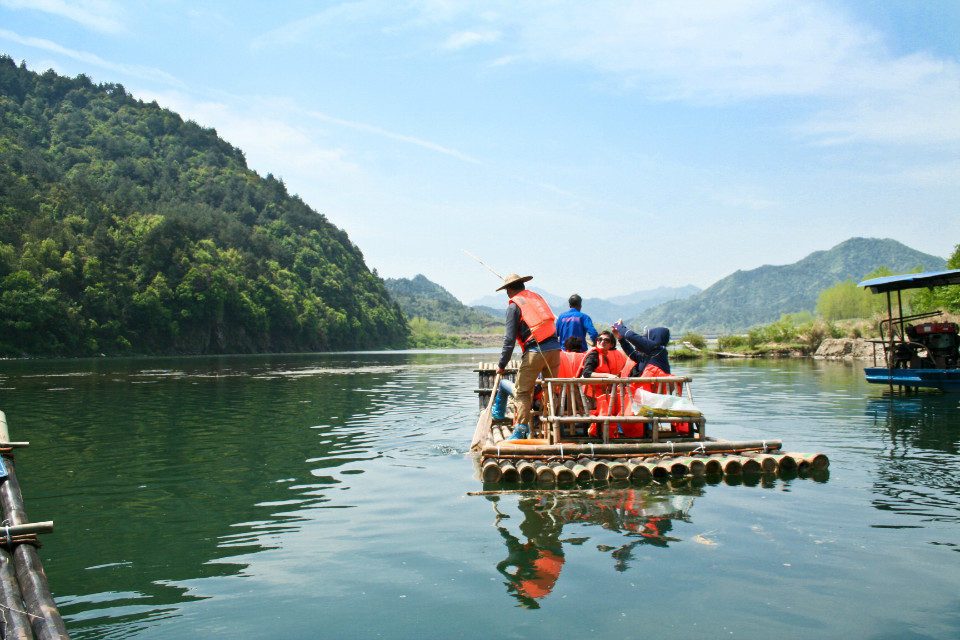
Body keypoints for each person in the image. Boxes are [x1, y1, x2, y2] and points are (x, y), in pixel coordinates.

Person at [496, 274, 562, 440]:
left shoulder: (514, 306)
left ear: (509, 290)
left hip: (536, 351)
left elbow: (509, 339)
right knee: (550, 390)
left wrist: (501, 365)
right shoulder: (537, 298)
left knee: (522, 393)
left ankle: (521, 431)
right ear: (522, 286)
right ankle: (553, 428)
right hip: (555, 349)